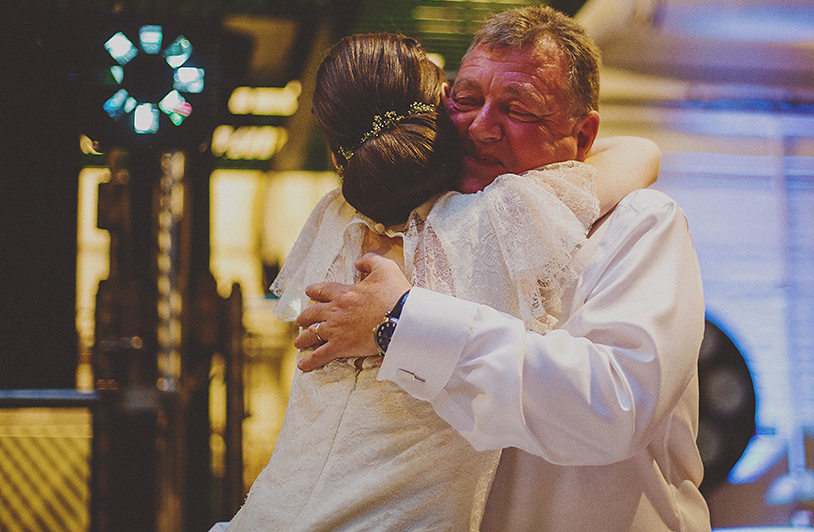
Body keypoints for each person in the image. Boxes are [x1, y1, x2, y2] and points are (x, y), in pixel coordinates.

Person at [220, 31, 661, 531]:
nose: (477, 123)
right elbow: (638, 153)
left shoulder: (331, 222)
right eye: (460, 98)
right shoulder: (493, 222)